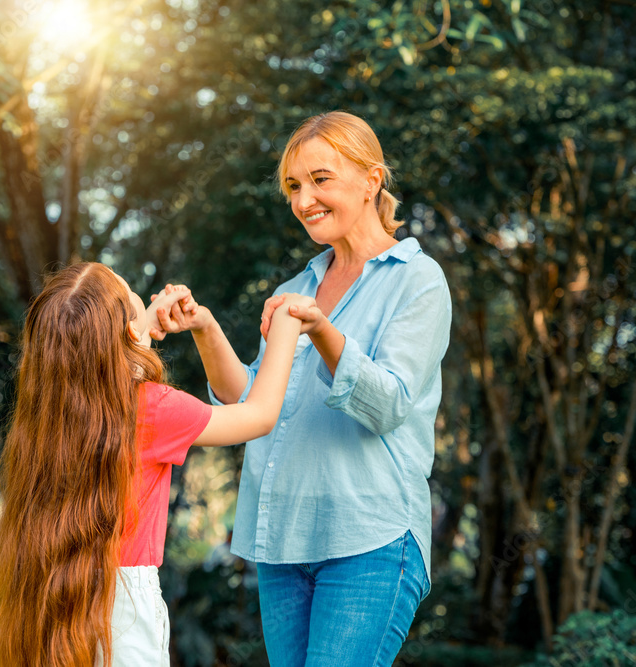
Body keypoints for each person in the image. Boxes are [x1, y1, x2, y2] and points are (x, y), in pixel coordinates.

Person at [151, 111, 452, 666]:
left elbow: (387, 404)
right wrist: (205, 328)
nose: (303, 199)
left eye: (320, 179)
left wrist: (321, 328)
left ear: (371, 179)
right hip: (285, 542)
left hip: (371, 539)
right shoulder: (297, 287)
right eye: (293, 185)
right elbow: (251, 404)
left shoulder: (418, 280)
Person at [0, 261, 314, 667]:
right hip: (125, 610)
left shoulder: (44, 416)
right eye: (132, 294)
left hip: (46, 589)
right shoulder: (152, 407)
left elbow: (91, 361)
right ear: (125, 331)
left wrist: (161, 328)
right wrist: (286, 324)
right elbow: (259, 415)